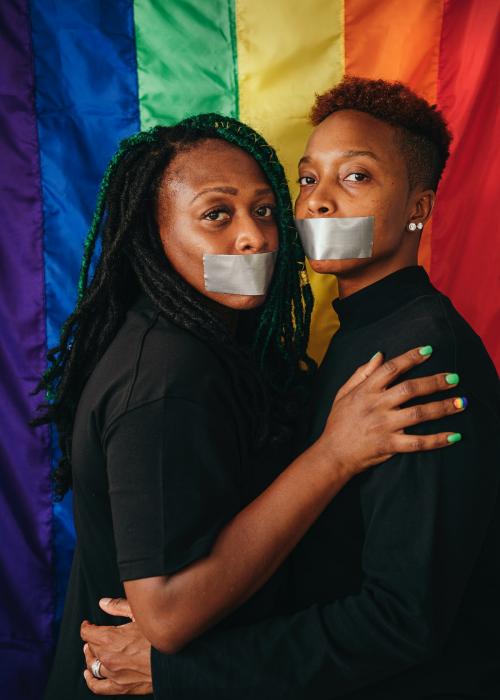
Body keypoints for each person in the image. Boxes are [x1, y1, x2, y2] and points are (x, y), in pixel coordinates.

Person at [81, 80, 500, 699]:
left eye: (355, 177)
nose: (320, 203)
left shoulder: (418, 359)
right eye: (308, 180)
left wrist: (179, 672)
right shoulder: (356, 330)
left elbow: (403, 621)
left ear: (420, 206)